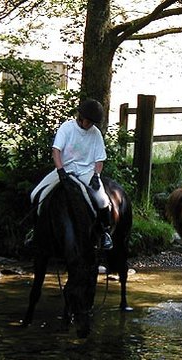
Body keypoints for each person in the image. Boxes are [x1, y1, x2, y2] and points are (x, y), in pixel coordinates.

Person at [29, 98, 113, 250]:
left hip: (86, 172)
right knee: (35, 194)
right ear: (81, 118)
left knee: (102, 200)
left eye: (93, 122)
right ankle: (36, 231)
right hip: (65, 169)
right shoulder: (67, 128)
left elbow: (99, 159)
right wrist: (60, 171)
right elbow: (56, 151)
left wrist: (96, 176)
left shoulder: (96, 134)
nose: (91, 125)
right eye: (89, 121)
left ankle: (104, 232)